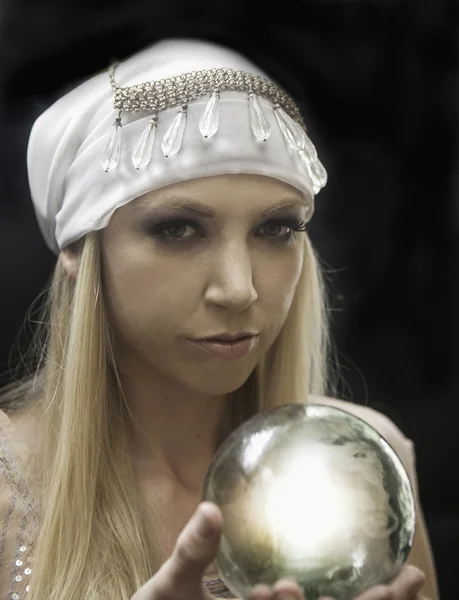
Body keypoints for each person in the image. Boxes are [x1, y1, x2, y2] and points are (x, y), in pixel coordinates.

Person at [0, 37, 438, 600]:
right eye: (179, 229)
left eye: (276, 229)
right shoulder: (9, 495)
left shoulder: (365, 466)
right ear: (80, 251)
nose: (238, 289)